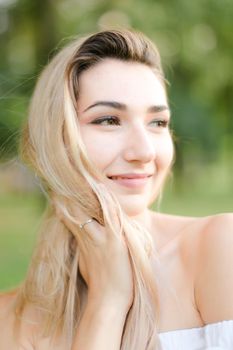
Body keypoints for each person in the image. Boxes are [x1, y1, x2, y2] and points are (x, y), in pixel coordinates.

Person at [0, 29, 233, 350]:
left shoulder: (219, 248)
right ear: (56, 139)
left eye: (158, 122)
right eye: (109, 120)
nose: (144, 152)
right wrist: (107, 302)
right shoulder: (8, 319)